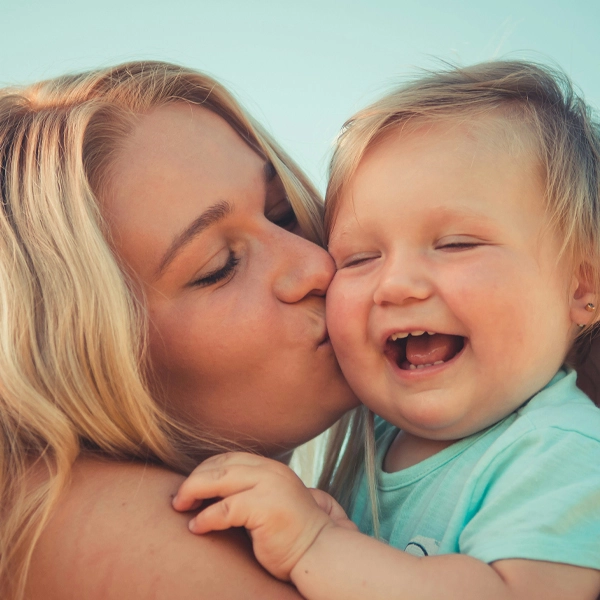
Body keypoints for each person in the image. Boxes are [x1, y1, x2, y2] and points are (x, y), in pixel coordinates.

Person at [174, 61, 600, 600]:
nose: (395, 285)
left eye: (455, 245)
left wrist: (314, 545)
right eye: (358, 258)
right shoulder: (369, 441)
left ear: (583, 287)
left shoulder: (563, 452)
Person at [0, 61, 358, 599]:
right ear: (80, 360)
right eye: (219, 266)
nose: (316, 265)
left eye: (282, 213)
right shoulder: (104, 535)